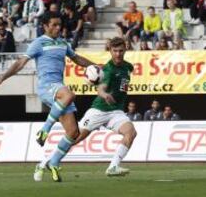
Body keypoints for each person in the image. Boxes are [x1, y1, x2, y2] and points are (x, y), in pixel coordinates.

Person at [0, 12, 94, 182]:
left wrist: (94, 65)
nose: (58, 28)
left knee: (73, 133)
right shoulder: (38, 43)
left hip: (59, 90)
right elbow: (20, 63)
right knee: (70, 94)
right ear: (45, 26)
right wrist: (1, 78)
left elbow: (77, 58)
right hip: (47, 87)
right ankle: (44, 130)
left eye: (59, 25)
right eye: (54, 25)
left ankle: (51, 162)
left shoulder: (63, 43)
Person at [41, 37, 137, 177]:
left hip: (116, 111)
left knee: (131, 132)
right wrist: (104, 94)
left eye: (121, 51)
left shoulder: (128, 67)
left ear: (125, 50)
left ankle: (113, 167)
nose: (118, 54)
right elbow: (101, 88)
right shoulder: (108, 70)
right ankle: (46, 161)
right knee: (75, 138)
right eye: (115, 51)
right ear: (110, 51)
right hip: (99, 110)